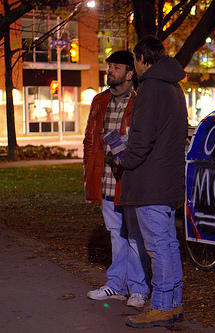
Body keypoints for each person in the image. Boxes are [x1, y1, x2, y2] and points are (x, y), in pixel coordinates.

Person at [120, 36, 187, 328]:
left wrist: (124, 158)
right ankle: (172, 303)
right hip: (169, 177)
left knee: (158, 247)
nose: (134, 66)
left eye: (135, 60)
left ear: (141, 59)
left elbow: (142, 138)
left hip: (150, 180)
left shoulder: (149, 88)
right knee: (168, 245)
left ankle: (161, 306)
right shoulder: (175, 87)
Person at [83, 50, 150, 308]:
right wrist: (89, 172)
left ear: (129, 73)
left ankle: (139, 289)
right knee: (116, 235)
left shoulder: (139, 102)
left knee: (135, 237)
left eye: (115, 67)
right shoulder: (100, 100)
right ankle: (115, 286)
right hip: (106, 180)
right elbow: (91, 139)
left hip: (130, 180)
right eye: (109, 66)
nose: (109, 70)